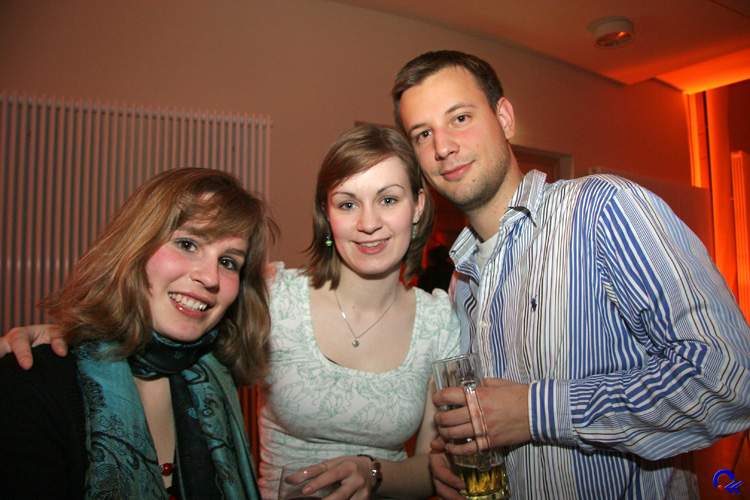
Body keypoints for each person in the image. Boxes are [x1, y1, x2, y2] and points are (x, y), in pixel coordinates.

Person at [1, 124, 461, 499]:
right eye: (347, 203)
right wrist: (67, 333)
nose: (368, 222)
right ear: (327, 215)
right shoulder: (274, 295)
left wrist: (373, 473)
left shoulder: (440, 320)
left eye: (388, 199)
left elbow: (437, 466)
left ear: (418, 207)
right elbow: (159, 324)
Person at [390, 49, 750, 499]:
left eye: (460, 118)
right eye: (423, 134)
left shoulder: (603, 210)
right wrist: (449, 456)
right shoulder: (462, 284)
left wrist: (536, 411)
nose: (442, 147)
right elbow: (493, 423)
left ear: (504, 118)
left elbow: (730, 379)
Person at [0, 168, 271, 499]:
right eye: (187, 244)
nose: (210, 277)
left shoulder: (215, 384)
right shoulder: (33, 383)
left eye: (228, 262)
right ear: (135, 247)